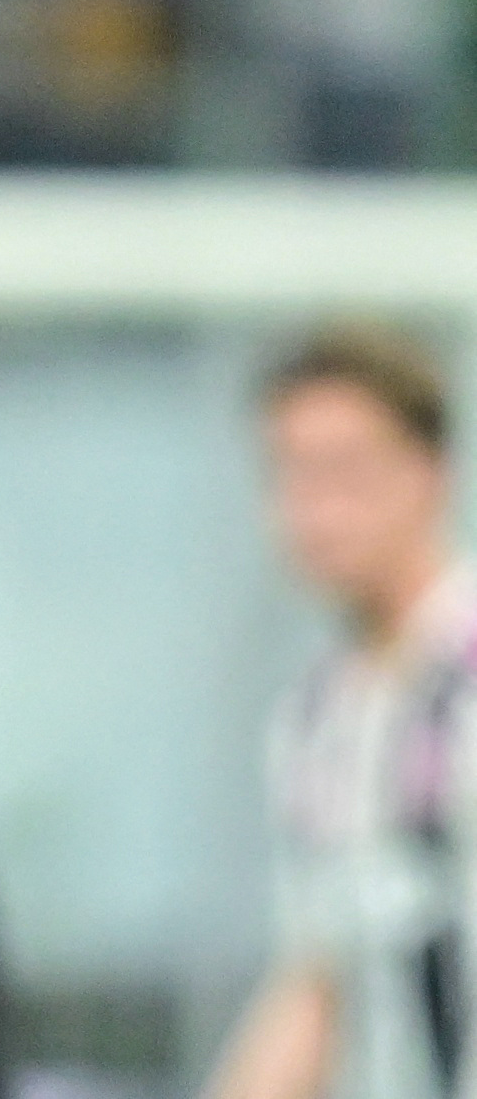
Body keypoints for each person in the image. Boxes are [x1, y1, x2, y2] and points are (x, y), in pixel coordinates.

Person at [207, 328, 477, 1099]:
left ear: (432, 473)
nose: (316, 508)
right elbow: (315, 983)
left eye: (346, 470)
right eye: (290, 472)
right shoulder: (315, 718)